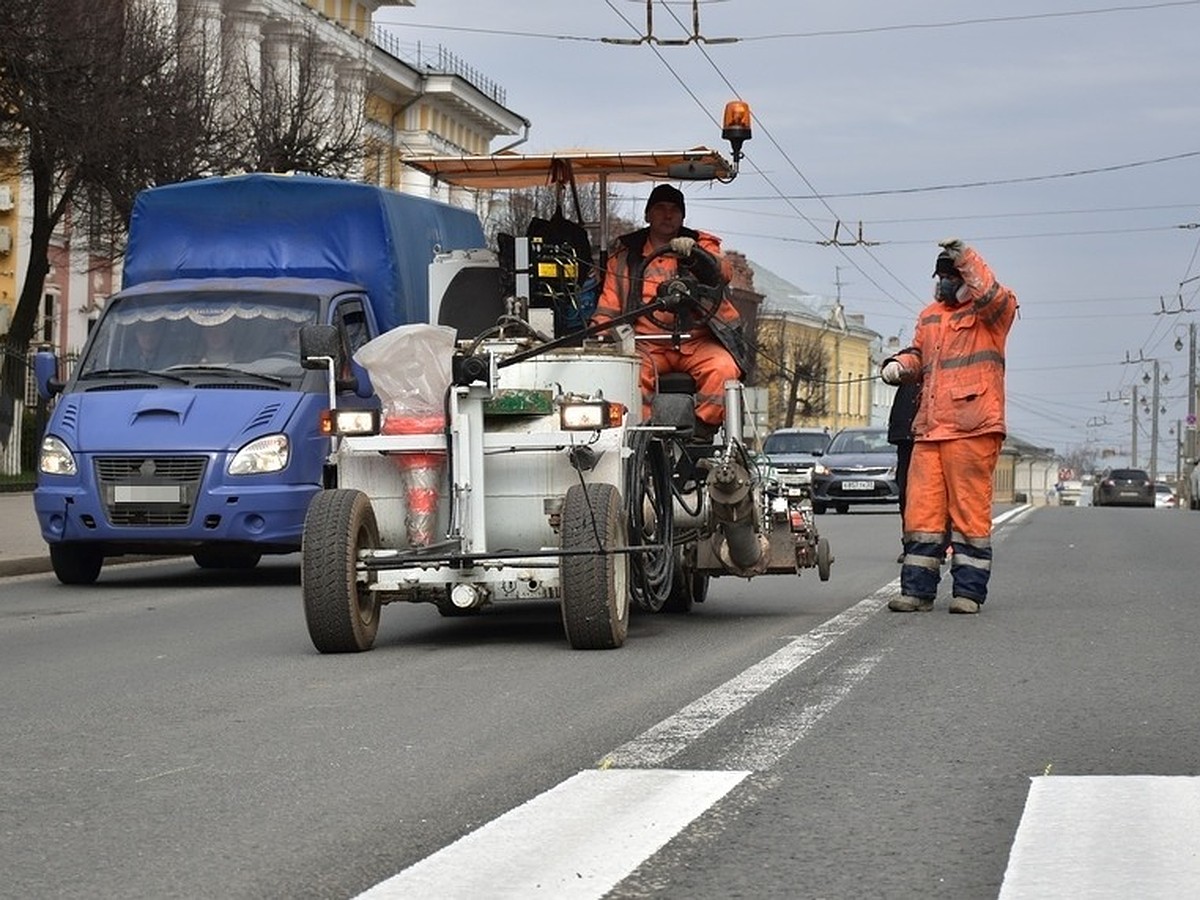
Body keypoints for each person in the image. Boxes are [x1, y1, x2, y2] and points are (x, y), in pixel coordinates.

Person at [880, 239, 1018, 614]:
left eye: (948, 276)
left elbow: (992, 294)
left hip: (973, 427)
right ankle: (918, 591)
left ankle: (968, 593)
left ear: (964, 278)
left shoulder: (993, 312)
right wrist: (899, 366)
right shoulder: (929, 316)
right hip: (930, 429)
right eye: (939, 276)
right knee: (920, 515)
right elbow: (919, 355)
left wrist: (968, 258)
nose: (941, 283)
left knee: (969, 515)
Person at [590, 184, 746, 441]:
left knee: (724, 369)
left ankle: (699, 434)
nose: (668, 215)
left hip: (697, 342)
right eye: (660, 208)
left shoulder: (701, 246)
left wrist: (695, 255)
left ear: (683, 217)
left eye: (674, 210)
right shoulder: (624, 258)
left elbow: (723, 272)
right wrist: (601, 336)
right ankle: (643, 438)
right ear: (648, 215)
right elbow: (609, 306)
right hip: (645, 345)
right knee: (629, 374)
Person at [886, 379, 920, 564]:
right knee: (906, 495)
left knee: (935, 496)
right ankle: (909, 545)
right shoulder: (912, 360)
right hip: (906, 438)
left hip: (932, 436)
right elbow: (891, 373)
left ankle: (937, 548)